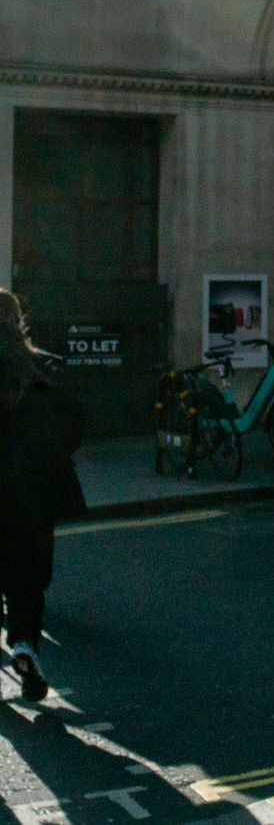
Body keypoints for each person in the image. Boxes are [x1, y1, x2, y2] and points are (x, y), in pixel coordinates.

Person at [0, 289, 83, 703]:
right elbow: (74, 428)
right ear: (19, 322)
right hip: (32, 494)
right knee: (27, 581)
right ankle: (25, 646)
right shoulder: (46, 368)